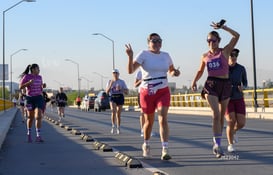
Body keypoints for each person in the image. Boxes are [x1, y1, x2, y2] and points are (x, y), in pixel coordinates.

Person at [125, 33, 180, 160]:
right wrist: (130, 56)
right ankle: (146, 144)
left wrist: (175, 72)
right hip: (147, 92)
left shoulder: (166, 55)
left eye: (159, 41)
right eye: (153, 41)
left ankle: (165, 149)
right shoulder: (143, 54)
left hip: (163, 91)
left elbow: (171, 70)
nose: (156, 43)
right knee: (149, 122)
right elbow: (130, 70)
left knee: (162, 118)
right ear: (148, 43)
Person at [191, 20, 240, 158]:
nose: (211, 43)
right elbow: (200, 70)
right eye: (208, 41)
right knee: (216, 114)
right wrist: (194, 81)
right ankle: (217, 145)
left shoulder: (225, 52)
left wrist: (223, 27)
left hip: (225, 84)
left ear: (218, 41)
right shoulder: (205, 56)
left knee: (222, 116)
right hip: (211, 84)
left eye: (213, 40)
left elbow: (236, 36)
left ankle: (218, 141)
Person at [225, 48, 247, 153]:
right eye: (231, 55)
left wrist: (244, 87)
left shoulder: (241, 68)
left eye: (235, 56)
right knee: (231, 120)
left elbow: (245, 83)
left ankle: (233, 132)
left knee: (241, 123)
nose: (233, 57)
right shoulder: (224, 68)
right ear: (228, 56)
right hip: (227, 98)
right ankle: (230, 144)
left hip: (238, 97)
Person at [19, 63, 45, 143]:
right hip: (29, 98)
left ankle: (38, 136)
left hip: (38, 98)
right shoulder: (26, 77)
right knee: (30, 117)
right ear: (33, 69)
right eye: (38, 69)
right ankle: (29, 134)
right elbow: (20, 87)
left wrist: (43, 86)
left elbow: (40, 88)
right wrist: (28, 83)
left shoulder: (40, 77)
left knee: (38, 116)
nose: (39, 70)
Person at [105, 69, 128, 135]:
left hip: (120, 96)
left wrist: (121, 89)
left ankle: (118, 127)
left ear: (118, 74)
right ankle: (113, 126)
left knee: (118, 114)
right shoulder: (109, 81)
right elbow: (106, 92)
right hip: (112, 96)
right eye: (113, 73)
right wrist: (110, 85)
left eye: (116, 73)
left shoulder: (122, 82)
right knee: (113, 111)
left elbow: (126, 92)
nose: (115, 74)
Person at [134, 70, 155, 137]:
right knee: (143, 112)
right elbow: (135, 85)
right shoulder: (139, 72)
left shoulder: (153, 70)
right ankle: (143, 129)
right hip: (142, 93)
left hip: (151, 91)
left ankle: (149, 129)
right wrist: (142, 80)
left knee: (151, 112)